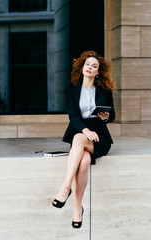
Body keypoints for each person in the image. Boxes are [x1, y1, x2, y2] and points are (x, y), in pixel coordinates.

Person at [51, 50, 116, 228]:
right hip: (82, 130)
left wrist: (105, 118)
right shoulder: (72, 90)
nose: (90, 68)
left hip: (99, 137)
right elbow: (73, 116)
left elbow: (112, 115)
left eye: (94, 66)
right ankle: (77, 209)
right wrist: (86, 130)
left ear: (98, 72)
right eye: (87, 64)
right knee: (84, 161)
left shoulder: (104, 90)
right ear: (82, 67)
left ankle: (65, 188)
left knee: (79, 139)